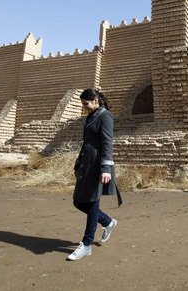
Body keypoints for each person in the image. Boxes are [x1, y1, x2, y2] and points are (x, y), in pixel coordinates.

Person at [68, 88, 122, 261]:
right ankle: (107, 222)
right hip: (86, 165)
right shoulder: (91, 116)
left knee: (91, 204)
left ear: (96, 100)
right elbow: (86, 143)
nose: (84, 107)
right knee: (78, 201)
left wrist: (106, 168)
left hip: (98, 165)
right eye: (83, 104)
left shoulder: (105, 116)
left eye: (86, 104)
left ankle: (86, 244)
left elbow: (107, 142)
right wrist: (78, 164)